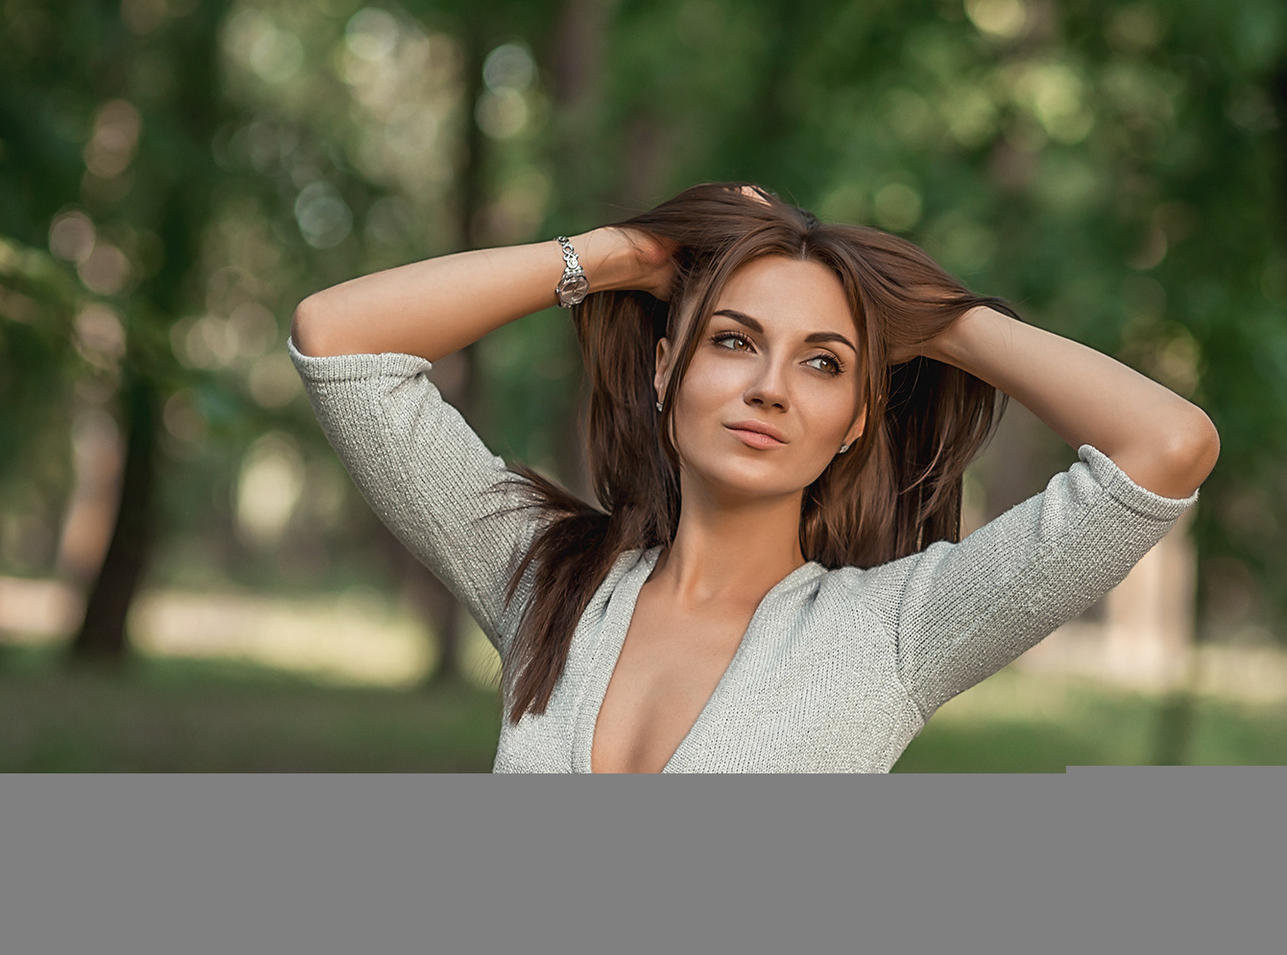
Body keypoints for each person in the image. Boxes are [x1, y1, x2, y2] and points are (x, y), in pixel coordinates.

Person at [289, 182, 1218, 773]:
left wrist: (930, 320)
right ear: (666, 371)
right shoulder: (550, 582)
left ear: (855, 419)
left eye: (822, 362)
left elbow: (1167, 446)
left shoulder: (896, 632)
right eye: (734, 341)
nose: (769, 388)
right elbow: (341, 339)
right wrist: (618, 255)